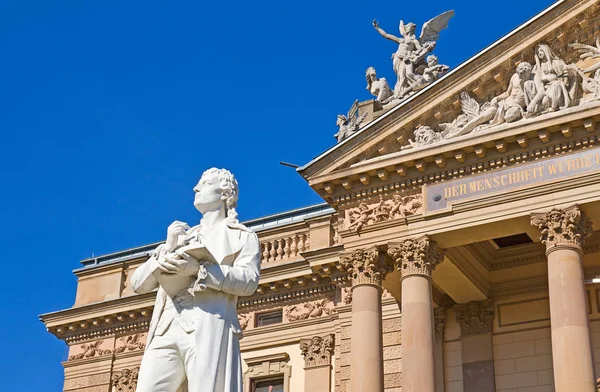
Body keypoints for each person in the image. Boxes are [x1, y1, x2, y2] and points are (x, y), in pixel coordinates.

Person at [131, 168, 260, 392]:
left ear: (224, 194)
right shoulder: (181, 237)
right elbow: (138, 284)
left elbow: (249, 281)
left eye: (205, 183)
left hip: (206, 323)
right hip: (166, 327)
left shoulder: (241, 236)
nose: (196, 188)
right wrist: (167, 248)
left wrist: (200, 270)